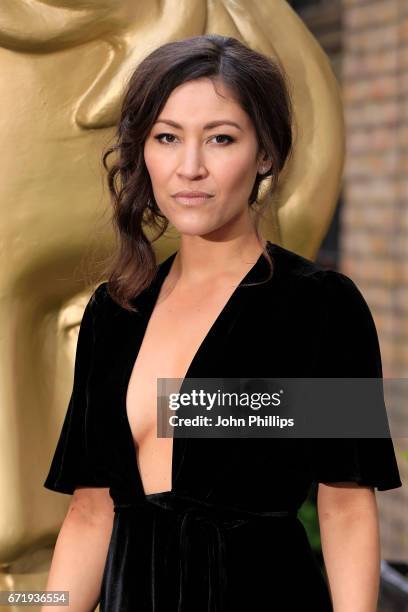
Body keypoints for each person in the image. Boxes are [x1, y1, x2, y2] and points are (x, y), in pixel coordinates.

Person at [42, 34, 402, 611]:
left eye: (221, 139)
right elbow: (89, 514)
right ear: (144, 152)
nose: (191, 167)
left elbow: (345, 505)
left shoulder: (321, 306)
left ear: (265, 155)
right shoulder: (113, 312)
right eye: (167, 138)